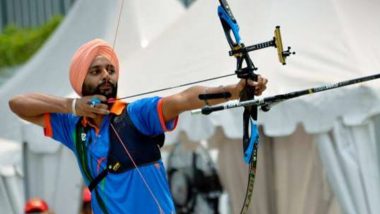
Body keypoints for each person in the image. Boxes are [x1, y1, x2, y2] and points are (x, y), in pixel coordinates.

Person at [9, 39, 268, 214]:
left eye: (110, 69)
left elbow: (184, 99)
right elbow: (18, 104)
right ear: (81, 80)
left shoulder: (136, 114)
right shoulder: (74, 128)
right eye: (96, 71)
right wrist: (73, 106)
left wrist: (234, 91)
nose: (107, 75)